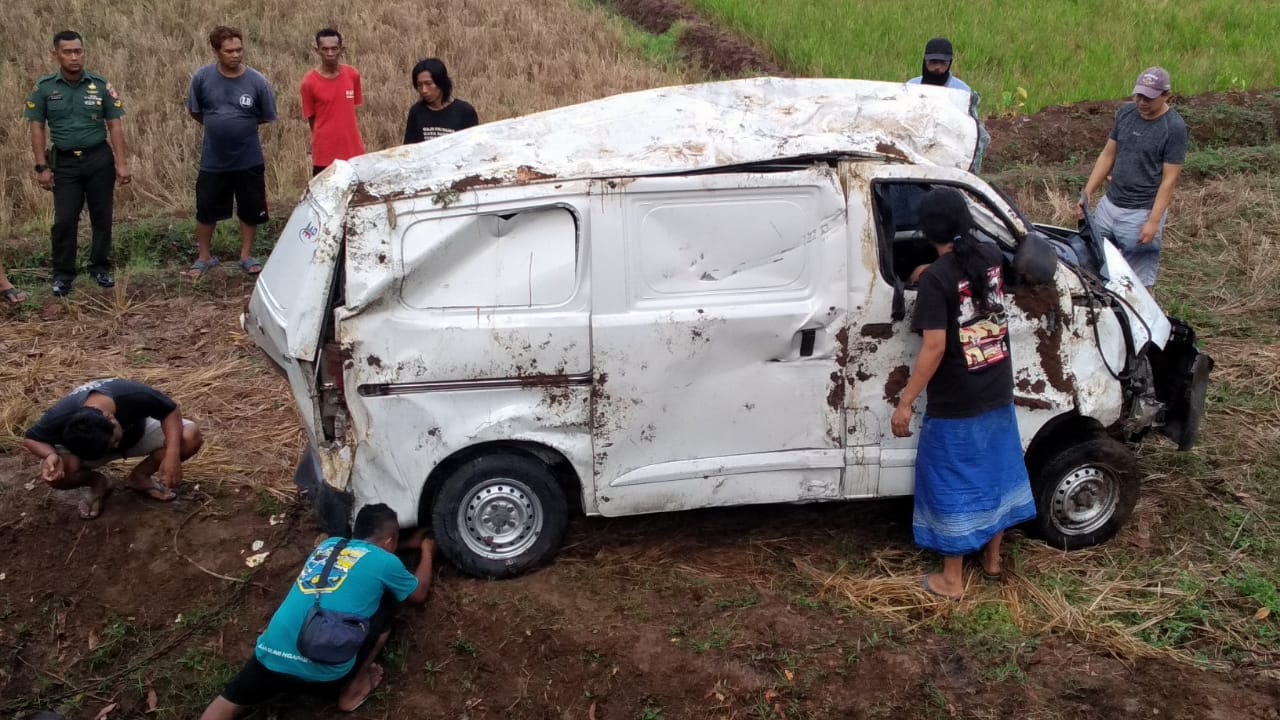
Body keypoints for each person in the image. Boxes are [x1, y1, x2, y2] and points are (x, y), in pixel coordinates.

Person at [890, 188, 1037, 600]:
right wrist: (933, 269)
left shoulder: (938, 281)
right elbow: (965, 280)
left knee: (950, 480)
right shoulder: (989, 256)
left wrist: (905, 401)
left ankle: (951, 580)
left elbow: (934, 348)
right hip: (995, 385)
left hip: (957, 400)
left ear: (924, 230)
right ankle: (992, 560)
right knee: (996, 470)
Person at [200, 505, 436, 717]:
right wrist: (426, 550)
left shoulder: (328, 545)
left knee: (226, 703)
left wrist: (402, 543)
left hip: (271, 658)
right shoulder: (386, 562)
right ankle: (353, 689)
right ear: (389, 542)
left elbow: (367, 553)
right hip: (324, 673)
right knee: (385, 606)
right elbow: (418, 594)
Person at [25, 30, 131, 297]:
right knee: (64, 220)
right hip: (64, 163)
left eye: (78, 51)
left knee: (102, 217)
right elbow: (37, 128)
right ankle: (63, 274)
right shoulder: (45, 88)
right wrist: (41, 167)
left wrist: (121, 163)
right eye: (68, 52)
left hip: (98, 159)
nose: (74, 57)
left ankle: (100, 268)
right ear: (56, 55)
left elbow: (114, 125)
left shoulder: (100, 84)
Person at [22, 379, 204, 520]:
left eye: (114, 440)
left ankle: (139, 477)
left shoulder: (129, 394)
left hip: (137, 432)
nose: (116, 447)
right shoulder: (60, 415)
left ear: (110, 418)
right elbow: (31, 438)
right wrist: (51, 455)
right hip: (90, 449)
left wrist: (172, 454)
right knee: (59, 474)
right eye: (112, 445)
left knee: (189, 437)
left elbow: (170, 410)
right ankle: (98, 483)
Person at [1078, 67, 1187, 288]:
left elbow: (1169, 180)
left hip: (1140, 214)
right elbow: (1108, 154)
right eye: (1139, 95)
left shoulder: (1174, 128)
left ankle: (1141, 321)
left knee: (1135, 282)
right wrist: (1087, 192)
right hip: (1109, 206)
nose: (1142, 102)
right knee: (1094, 262)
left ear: (1167, 96)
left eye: (1149, 98)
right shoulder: (1126, 113)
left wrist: (1153, 222)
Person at [186, 25, 278, 279]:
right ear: (216, 51)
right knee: (206, 209)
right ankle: (204, 257)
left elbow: (265, 116)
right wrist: (220, 124)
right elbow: (196, 111)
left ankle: (246, 256)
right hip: (213, 160)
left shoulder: (258, 82)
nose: (236, 55)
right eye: (229, 51)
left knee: (250, 209)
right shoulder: (202, 78)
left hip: (248, 159)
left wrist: (237, 126)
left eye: (239, 49)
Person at [907, 37, 990, 172]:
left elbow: (971, 131)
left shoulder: (962, 92)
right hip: (915, 154)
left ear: (950, 63)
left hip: (948, 156)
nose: (937, 68)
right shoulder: (911, 87)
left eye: (943, 63)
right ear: (925, 61)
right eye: (933, 62)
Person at [300, 28, 364, 176]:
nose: (330, 54)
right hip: (324, 157)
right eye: (325, 49)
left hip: (353, 153)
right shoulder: (309, 83)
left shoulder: (352, 75)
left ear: (342, 50)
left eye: (334, 49)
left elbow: (350, 111)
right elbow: (312, 120)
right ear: (317, 51)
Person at [403, 58, 478, 144]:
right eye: (420, 85)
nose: (424, 90)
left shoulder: (464, 111)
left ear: (441, 83)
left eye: (428, 84)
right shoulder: (416, 111)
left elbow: (472, 145)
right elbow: (409, 148)